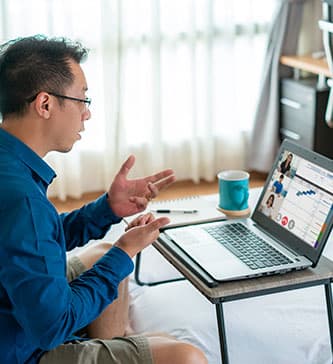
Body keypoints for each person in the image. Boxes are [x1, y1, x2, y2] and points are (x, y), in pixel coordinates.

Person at [0, 35, 208, 364]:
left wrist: (107, 209)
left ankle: (113, 344)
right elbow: (52, 327)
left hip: (15, 308)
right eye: (82, 99)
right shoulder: (23, 199)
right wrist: (125, 251)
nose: (87, 114)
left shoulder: (9, 165)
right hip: (20, 347)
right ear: (45, 104)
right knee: (186, 356)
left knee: (101, 255)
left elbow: (34, 241)